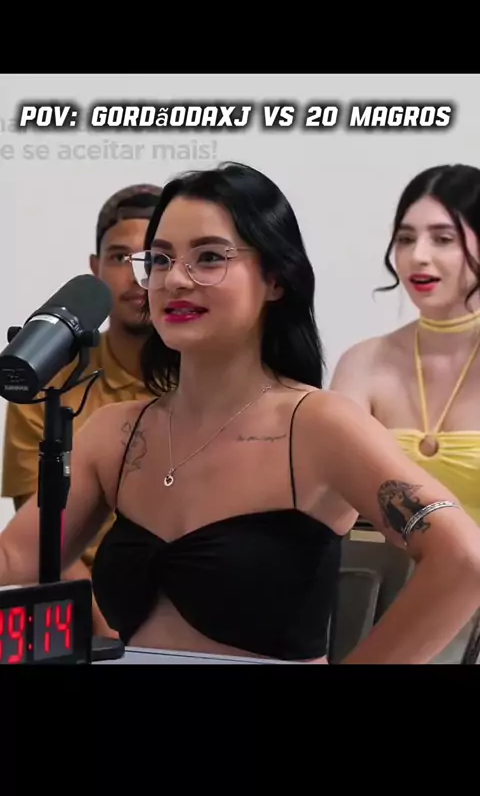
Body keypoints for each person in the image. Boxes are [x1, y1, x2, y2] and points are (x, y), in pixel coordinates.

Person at [1, 162, 480, 664]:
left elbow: (463, 560)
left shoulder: (319, 425)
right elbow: (17, 557)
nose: (175, 280)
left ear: (275, 278)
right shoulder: (116, 433)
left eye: (209, 257)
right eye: (160, 260)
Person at [1, 182, 162, 636]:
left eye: (153, 260)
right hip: (79, 614)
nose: (136, 276)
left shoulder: (206, 382)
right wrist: (107, 636)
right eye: (120, 257)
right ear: (95, 269)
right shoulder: (48, 380)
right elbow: (43, 544)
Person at [330, 164, 480, 528]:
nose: (418, 256)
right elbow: (330, 503)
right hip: (386, 564)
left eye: (443, 239)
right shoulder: (362, 364)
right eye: (406, 239)